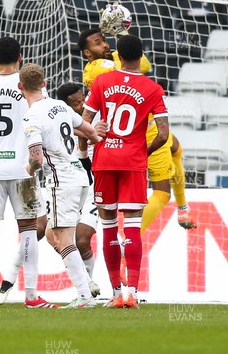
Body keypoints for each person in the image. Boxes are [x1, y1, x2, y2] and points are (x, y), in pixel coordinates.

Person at [0, 37, 55, 309]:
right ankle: (31, 296)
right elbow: (47, 127)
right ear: (20, 56)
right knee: (27, 230)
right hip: (24, 169)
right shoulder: (32, 88)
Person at [80, 34, 169, 309]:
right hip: (133, 162)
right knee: (131, 227)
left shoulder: (101, 82)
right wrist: (144, 150)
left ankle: (115, 292)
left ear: (117, 54)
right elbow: (164, 134)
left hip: (104, 161)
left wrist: (90, 145)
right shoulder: (153, 88)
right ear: (141, 56)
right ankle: (132, 293)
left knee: (107, 226)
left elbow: (83, 123)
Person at [79, 27, 195, 231]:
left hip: (136, 126)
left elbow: (143, 63)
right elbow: (138, 65)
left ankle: (183, 207)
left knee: (176, 148)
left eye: (104, 40)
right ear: (87, 52)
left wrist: (122, 34)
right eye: (98, 43)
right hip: (140, 133)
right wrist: (124, 40)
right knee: (161, 192)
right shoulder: (98, 68)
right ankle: (130, 237)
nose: (105, 45)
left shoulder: (114, 58)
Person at [19, 63, 102, 309]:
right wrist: (99, 139)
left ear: (20, 87)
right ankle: (86, 288)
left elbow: (36, 158)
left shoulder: (32, 116)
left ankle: (85, 296)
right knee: (56, 235)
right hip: (80, 177)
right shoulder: (61, 105)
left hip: (60, 180)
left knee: (63, 239)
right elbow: (88, 131)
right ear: (44, 83)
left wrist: (30, 168)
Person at [56, 82, 103, 296]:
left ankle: (87, 288)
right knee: (47, 234)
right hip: (66, 186)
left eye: (83, 99)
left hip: (93, 187)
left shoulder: (97, 121)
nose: (82, 105)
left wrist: (91, 135)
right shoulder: (59, 124)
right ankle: (8, 283)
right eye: (75, 103)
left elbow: (88, 163)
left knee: (82, 239)